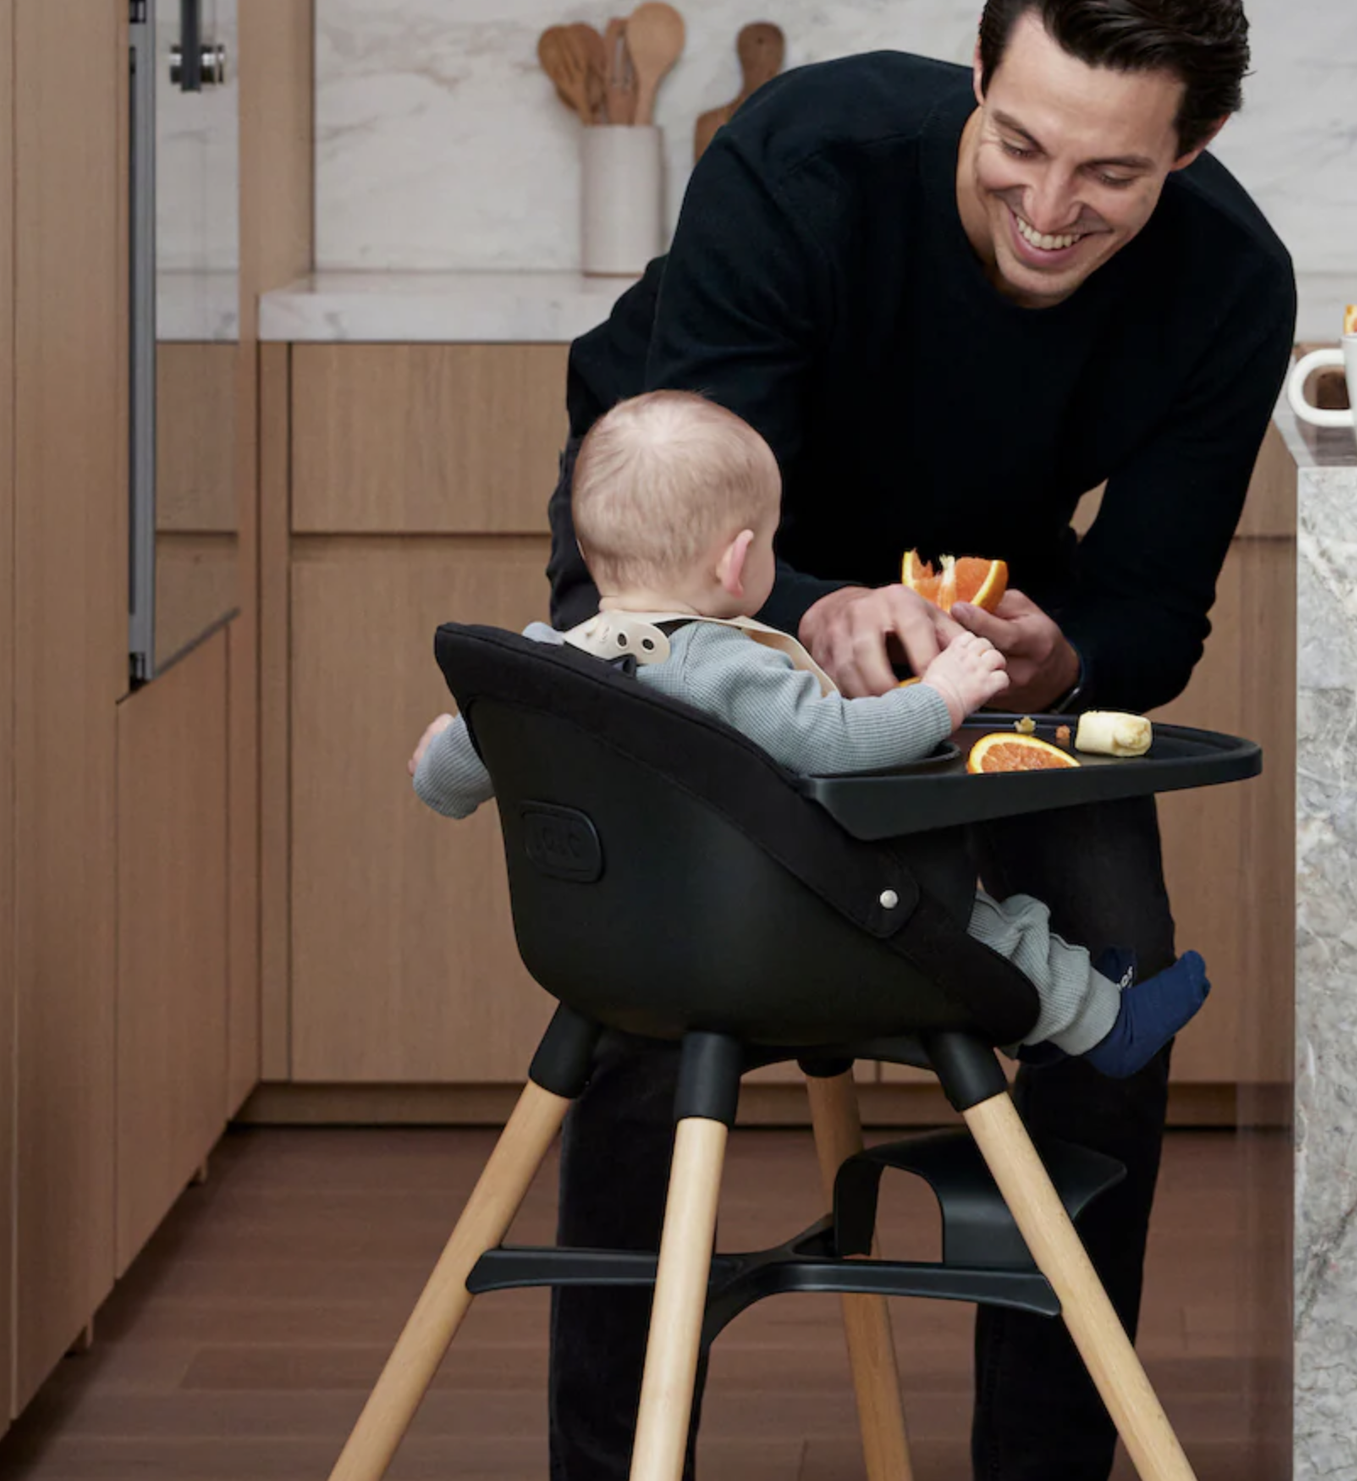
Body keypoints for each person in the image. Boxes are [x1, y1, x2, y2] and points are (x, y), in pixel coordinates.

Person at [542, 0, 1295, 1480]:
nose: (1049, 206)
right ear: (975, 69)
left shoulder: (1229, 285)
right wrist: (818, 611)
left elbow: (1152, 605)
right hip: (680, 565)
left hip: (965, 645)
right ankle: (608, 1461)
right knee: (652, 986)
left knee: (1121, 966)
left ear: (1200, 144)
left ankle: (1040, 1464)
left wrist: (1054, 651)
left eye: (1113, 175)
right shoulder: (807, 151)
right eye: (1019, 142)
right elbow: (691, 518)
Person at [407, 391, 1213, 1076]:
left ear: (588, 546)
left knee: (968, 925)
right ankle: (1106, 1024)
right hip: (768, 939)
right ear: (741, 564)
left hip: (614, 954)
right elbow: (835, 741)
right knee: (972, 921)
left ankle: (1074, 993)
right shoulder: (723, 667)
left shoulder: (544, 670)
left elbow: (450, 777)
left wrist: (441, 746)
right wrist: (944, 694)